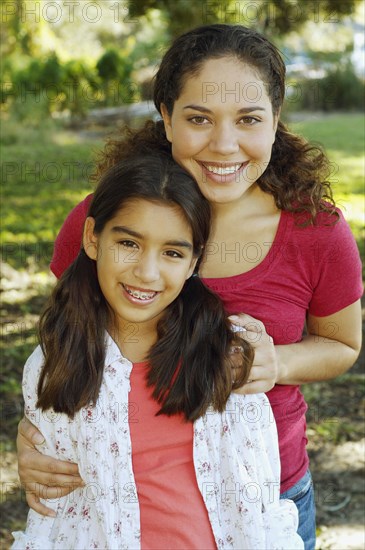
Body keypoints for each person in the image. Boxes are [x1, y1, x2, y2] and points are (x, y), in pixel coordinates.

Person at [16, 24, 363, 550]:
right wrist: (34, 437)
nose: (224, 145)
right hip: (122, 498)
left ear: (275, 122)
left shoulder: (317, 230)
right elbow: (69, 339)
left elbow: (342, 345)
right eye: (199, 118)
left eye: (249, 120)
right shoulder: (106, 221)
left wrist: (279, 365)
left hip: (266, 495)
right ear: (166, 117)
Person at [12, 150, 304, 550]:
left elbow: (259, 495)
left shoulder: (227, 356)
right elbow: (56, 510)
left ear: (194, 262)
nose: (147, 272)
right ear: (92, 238)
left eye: (172, 252)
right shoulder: (54, 364)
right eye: (129, 243)